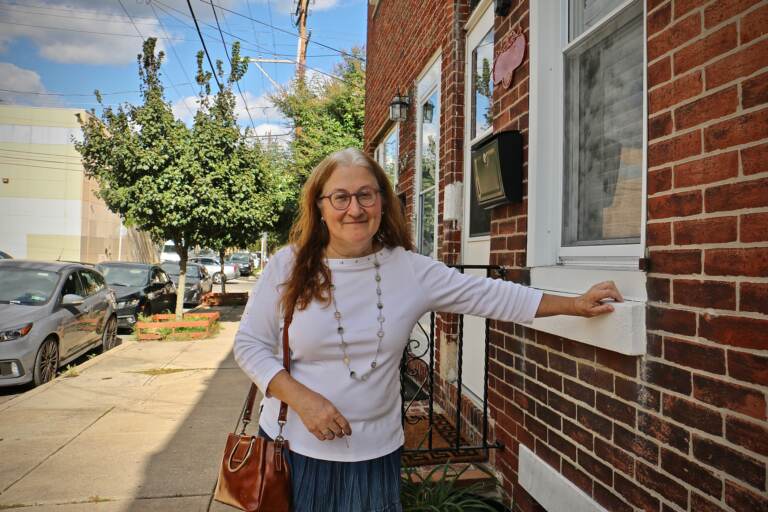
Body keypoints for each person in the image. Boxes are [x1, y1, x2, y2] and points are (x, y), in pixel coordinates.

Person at [233, 147, 623, 511]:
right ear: (319, 207)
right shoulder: (288, 266)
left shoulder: (409, 269)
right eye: (340, 197)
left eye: (366, 195)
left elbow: (492, 295)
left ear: (383, 204)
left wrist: (572, 304)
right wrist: (302, 399)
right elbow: (250, 345)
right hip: (294, 452)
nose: (354, 208)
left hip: (375, 457)